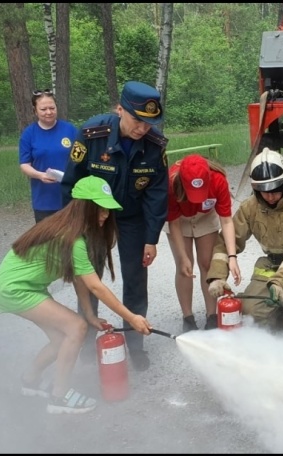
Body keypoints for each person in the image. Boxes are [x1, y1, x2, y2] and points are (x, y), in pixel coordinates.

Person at [0, 175, 153, 415]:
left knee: (61, 339)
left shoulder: (70, 228)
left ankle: (30, 380)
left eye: (108, 210)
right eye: (100, 209)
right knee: (76, 328)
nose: (105, 215)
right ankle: (59, 397)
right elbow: (96, 287)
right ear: (84, 207)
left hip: (23, 287)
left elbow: (79, 278)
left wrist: (90, 314)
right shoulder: (73, 239)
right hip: (15, 289)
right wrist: (132, 318)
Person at [61, 80, 168, 371]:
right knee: (89, 276)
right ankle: (86, 337)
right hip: (95, 218)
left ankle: (135, 343)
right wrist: (72, 227)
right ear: (120, 109)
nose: (143, 129)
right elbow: (71, 182)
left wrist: (151, 238)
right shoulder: (91, 134)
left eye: (149, 123)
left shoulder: (155, 145)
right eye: (137, 121)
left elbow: (157, 194)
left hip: (132, 218)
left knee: (135, 279)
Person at [206, 148, 283, 332]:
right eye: (264, 191)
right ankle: (278, 309)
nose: (270, 196)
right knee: (248, 312)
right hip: (271, 264)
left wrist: (279, 282)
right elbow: (226, 241)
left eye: (276, 189)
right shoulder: (250, 207)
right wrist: (217, 276)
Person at [164, 154, 239, 332]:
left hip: (205, 216)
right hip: (180, 220)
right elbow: (173, 223)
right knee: (184, 268)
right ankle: (188, 317)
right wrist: (183, 256)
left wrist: (232, 256)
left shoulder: (218, 180)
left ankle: (211, 315)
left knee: (207, 263)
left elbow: (226, 221)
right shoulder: (171, 183)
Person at [19, 89, 78, 223]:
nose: (49, 112)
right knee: (47, 242)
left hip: (70, 196)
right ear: (35, 110)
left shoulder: (70, 130)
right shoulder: (29, 134)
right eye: (43, 109)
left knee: (73, 241)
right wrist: (40, 175)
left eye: (52, 108)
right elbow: (24, 165)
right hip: (44, 200)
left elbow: (80, 158)